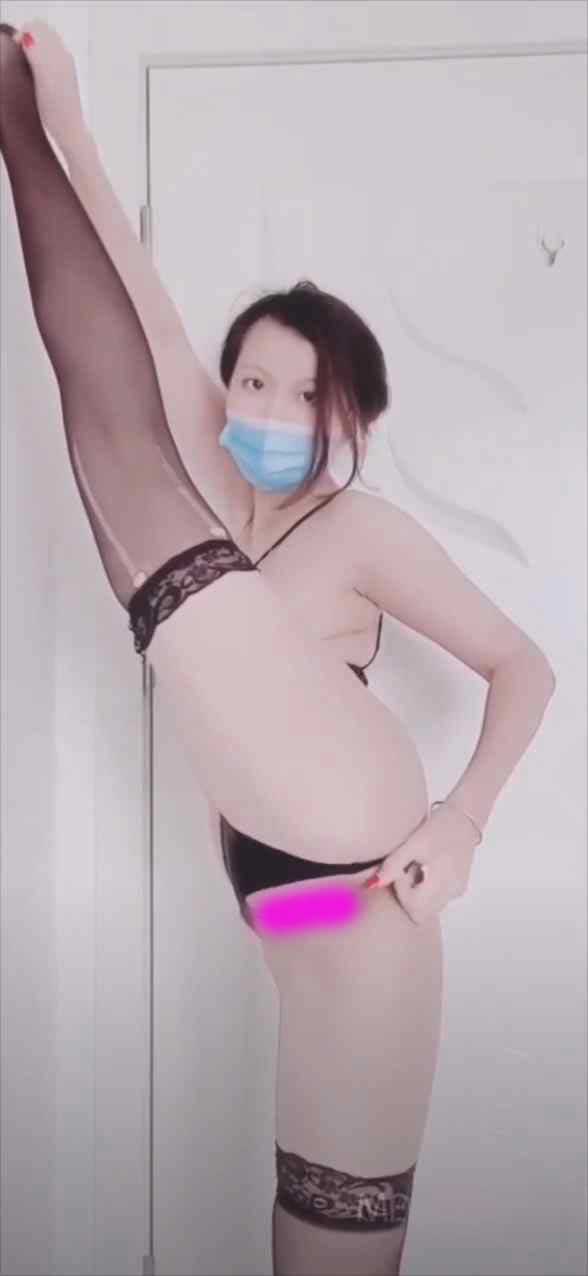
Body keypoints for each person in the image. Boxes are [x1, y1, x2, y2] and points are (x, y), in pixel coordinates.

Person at [0, 22, 556, 1276]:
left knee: (334, 1261)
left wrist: (462, 821)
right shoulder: (218, 491)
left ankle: (3, 118)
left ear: (349, 410)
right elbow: (141, 311)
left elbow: (526, 664)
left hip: (361, 893)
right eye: (251, 382)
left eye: (304, 392)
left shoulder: (359, 528)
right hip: (289, 903)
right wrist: (74, 123)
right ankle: (22, 123)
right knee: (299, 1239)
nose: (266, 409)